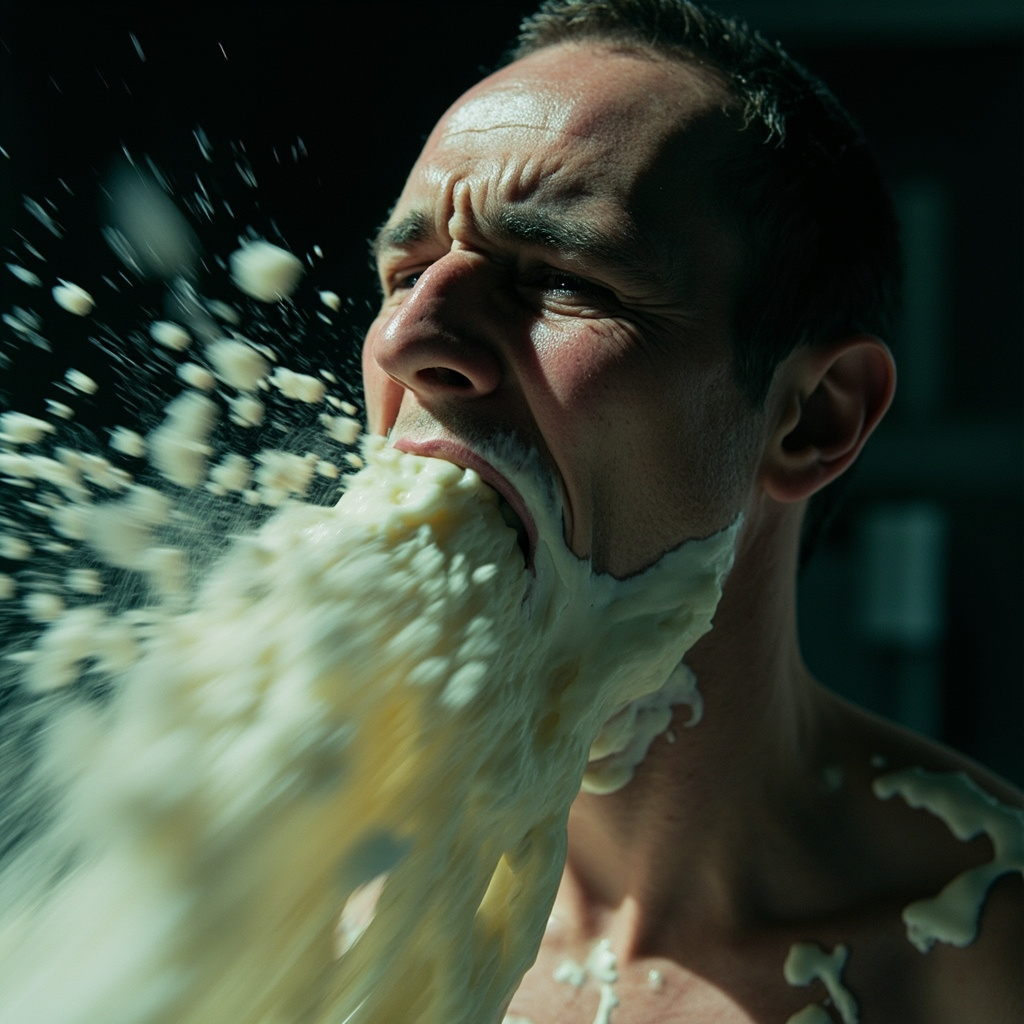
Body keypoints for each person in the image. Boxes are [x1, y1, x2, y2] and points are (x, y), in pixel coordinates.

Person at [359, 1, 1023, 1021]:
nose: (410, 338)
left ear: (814, 417)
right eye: (405, 274)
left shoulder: (978, 957)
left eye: (560, 278)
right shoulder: (288, 900)